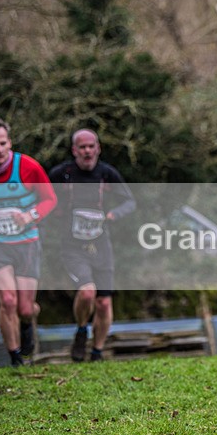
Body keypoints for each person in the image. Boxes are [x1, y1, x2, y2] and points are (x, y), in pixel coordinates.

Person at [0, 118, 57, 366]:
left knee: (25, 308)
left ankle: (28, 322)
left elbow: (50, 199)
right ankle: (15, 357)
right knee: (7, 300)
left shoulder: (29, 167)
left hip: (26, 242)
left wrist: (30, 215)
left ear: (10, 142)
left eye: (3, 143)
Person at [48, 129, 136, 362]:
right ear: (74, 150)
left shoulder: (107, 174)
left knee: (104, 302)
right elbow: (43, 198)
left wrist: (114, 214)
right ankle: (81, 329)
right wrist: (54, 215)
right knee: (87, 292)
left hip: (101, 243)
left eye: (91, 146)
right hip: (72, 244)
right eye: (82, 147)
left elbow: (129, 201)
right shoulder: (61, 174)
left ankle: (97, 351)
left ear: (98, 148)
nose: (87, 151)